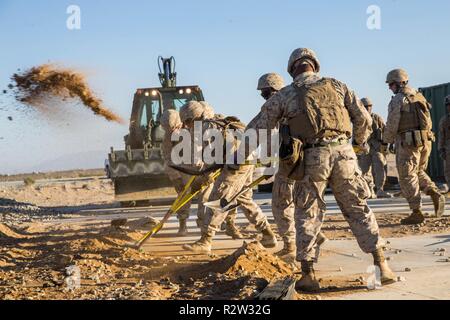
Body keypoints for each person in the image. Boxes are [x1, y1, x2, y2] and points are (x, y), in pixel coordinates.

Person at [247, 48, 396, 291]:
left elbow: (257, 129)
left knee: (307, 211)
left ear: (292, 68)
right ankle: (382, 265)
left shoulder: (285, 95)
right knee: (358, 208)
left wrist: (236, 156)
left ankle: (308, 275)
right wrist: (358, 143)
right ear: (314, 65)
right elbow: (363, 120)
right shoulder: (338, 85)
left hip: (312, 157)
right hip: (344, 154)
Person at [179, 101, 278, 253]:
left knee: (218, 199)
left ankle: (205, 240)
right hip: (247, 159)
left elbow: (210, 160)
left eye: (186, 122)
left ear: (192, 118)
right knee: (242, 197)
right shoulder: (219, 121)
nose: (187, 126)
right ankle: (268, 234)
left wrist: (204, 178)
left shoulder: (205, 128)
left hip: (236, 163)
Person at [257, 73, 327, 258]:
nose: (264, 97)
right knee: (301, 201)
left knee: (281, 204)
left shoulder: (278, 104)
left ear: (273, 90)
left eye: (265, 93)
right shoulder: (301, 101)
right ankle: (316, 234)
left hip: (290, 163)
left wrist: (265, 163)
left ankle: (290, 246)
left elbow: (266, 135)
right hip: (309, 159)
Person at [383, 69, 445, 225]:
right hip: (425, 141)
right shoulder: (418, 96)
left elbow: (392, 123)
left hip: (408, 143)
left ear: (398, 83)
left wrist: (387, 141)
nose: (389, 88)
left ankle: (416, 212)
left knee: (407, 176)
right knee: (418, 172)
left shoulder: (398, 99)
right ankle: (434, 192)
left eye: (391, 84)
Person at [160, 109, 192, 236]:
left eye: (174, 127)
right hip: (181, 170)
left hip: (199, 168)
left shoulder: (192, 129)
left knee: (207, 197)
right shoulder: (167, 138)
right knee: (183, 196)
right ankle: (183, 226)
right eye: (168, 129)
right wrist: (175, 177)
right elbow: (168, 159)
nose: (171, 130)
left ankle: (209, 227)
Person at [357, 97, 392, 199]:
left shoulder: (376, 118)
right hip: (364, 148)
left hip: (377, 148)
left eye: (369, 106)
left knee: (380, 167)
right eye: (365, 106)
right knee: (363, 170)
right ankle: (369, 190)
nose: (367, 108)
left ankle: (380, 189)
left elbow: (385, 131)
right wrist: (356, 151)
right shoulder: (358, 119)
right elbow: (355, 136)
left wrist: (386, 145)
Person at [438, 95, 450, 192]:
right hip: (448, 148)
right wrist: (441, 149)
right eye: (447, 105)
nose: (448, 107)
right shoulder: (444, 120)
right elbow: (441, 135)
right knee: (448, 170)